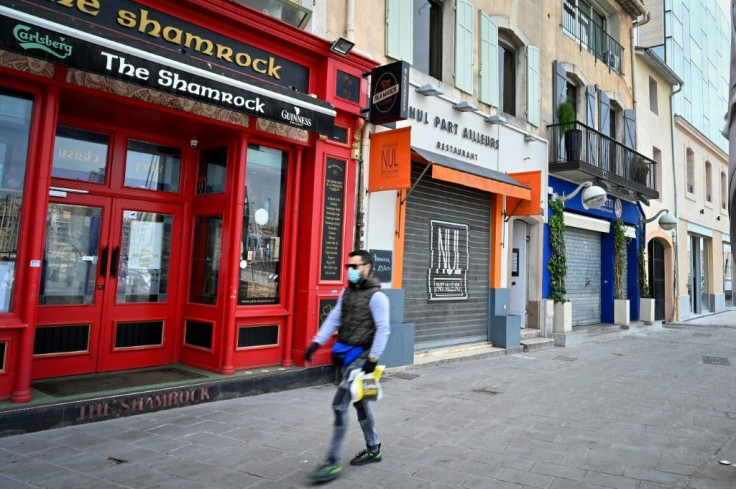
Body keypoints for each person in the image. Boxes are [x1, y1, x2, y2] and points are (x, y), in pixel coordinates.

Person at [304, 249, 391, 483]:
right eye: (348, 267)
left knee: (339, 405)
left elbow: (383, 329)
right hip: (348, 356)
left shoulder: (377, 297)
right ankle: (374, 449)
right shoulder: (347, 293)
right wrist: (316, 343)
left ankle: (331, 462)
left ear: (367, 267)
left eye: (355, 266)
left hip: (362, 358)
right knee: (361, 403)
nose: (350, 271)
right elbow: (334, 318)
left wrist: (373, 360)